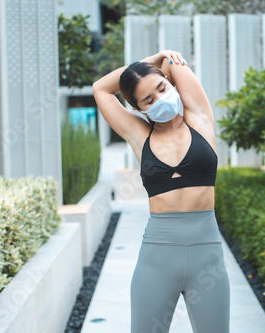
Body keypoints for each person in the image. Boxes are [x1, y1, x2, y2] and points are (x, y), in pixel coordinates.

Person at [93, 50, 230, 333]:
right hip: (157, 257)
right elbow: (101, 89)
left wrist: (158, 62)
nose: (160, 99)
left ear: (170, 84)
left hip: (207, 259)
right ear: (139, 110)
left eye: (162, 88)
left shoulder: (200, 119)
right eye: (149, 100)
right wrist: (150, 60)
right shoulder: (139, 135)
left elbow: (174, 61)